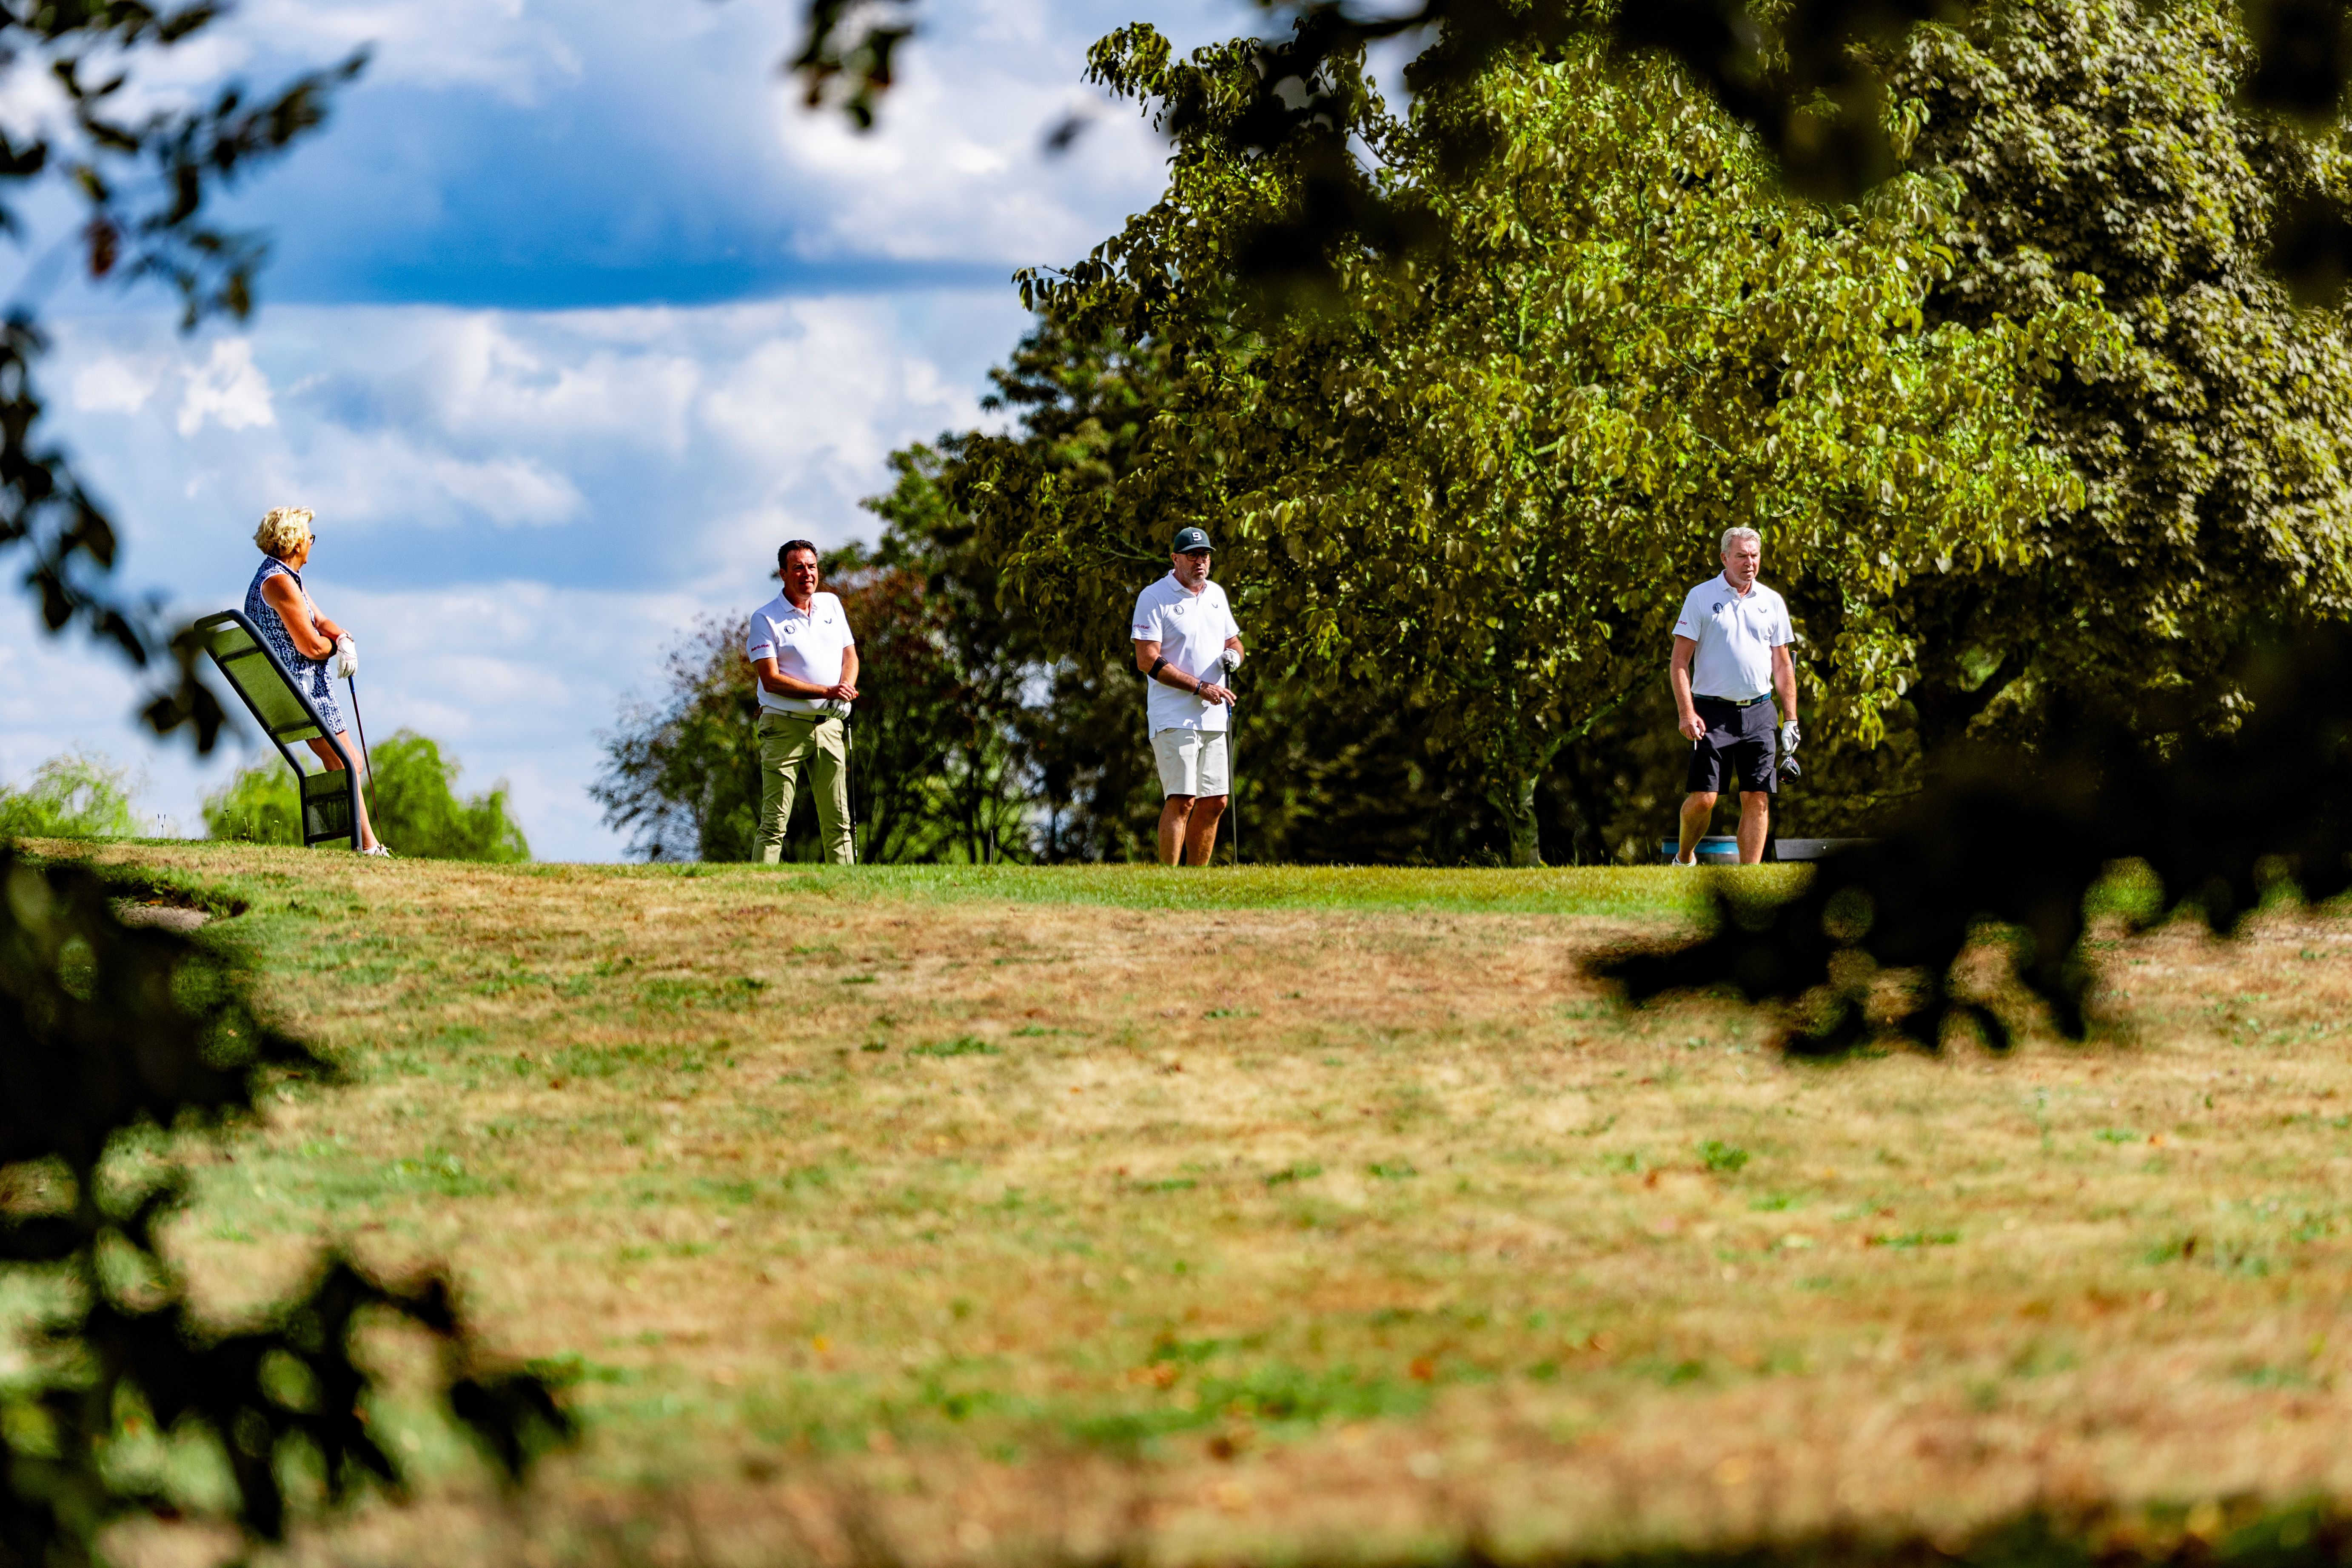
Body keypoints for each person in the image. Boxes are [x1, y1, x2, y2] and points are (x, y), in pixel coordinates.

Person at [245, 506, 388, 855]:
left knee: (347, 762)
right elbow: (310, 646)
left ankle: (366, 846)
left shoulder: (287, 578)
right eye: (309, 536)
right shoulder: (278, 582)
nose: (311, 542)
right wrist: (334, 648)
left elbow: (321, 623)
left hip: (299, 691)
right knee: (347, 762)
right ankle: (368, 849)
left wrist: (343, 638)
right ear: (296, 542)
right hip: (299, 693)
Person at [1668, 526, 1798, 865]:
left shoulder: (1771, 601)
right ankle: (1684, 858)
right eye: (1741, 556)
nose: (1749, 563)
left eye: (1754, 556)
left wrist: (1791, 719)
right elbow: (1679, 662)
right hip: (1710, 713)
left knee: (1757, 797)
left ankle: (1749, 876)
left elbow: (1782, 665)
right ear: (1724, 558)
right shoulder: (1700, 596)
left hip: (1760, 712)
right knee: (1704, 799)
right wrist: (1686, 712)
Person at [1131, 526, 1244, 865]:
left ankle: (1195, 880)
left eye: (1205, 555)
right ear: (1175, 559)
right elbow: (1147, 660)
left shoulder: (1215, 595)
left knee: (1216, 801)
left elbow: (1234, 642)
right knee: (1182, 799)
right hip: (1173, 715)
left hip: (1214, 715)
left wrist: (1234, 657)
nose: (1200, 562)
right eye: (1193, 555)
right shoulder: (1153, 597)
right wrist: (1199, 687)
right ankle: (1169, 879)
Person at [746, 540, 858, 864]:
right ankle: (756, 890)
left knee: (838, 822)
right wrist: (827, 692)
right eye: (797, 568)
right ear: (783, 574)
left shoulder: (831, 604)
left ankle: (848, 890)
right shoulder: (765, 618)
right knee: (774, 823)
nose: (806, 574)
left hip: (829, 727)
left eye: (811, 567)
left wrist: (846, 688)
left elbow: (849, 656)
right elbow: (771, 680)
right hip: (783, 726)